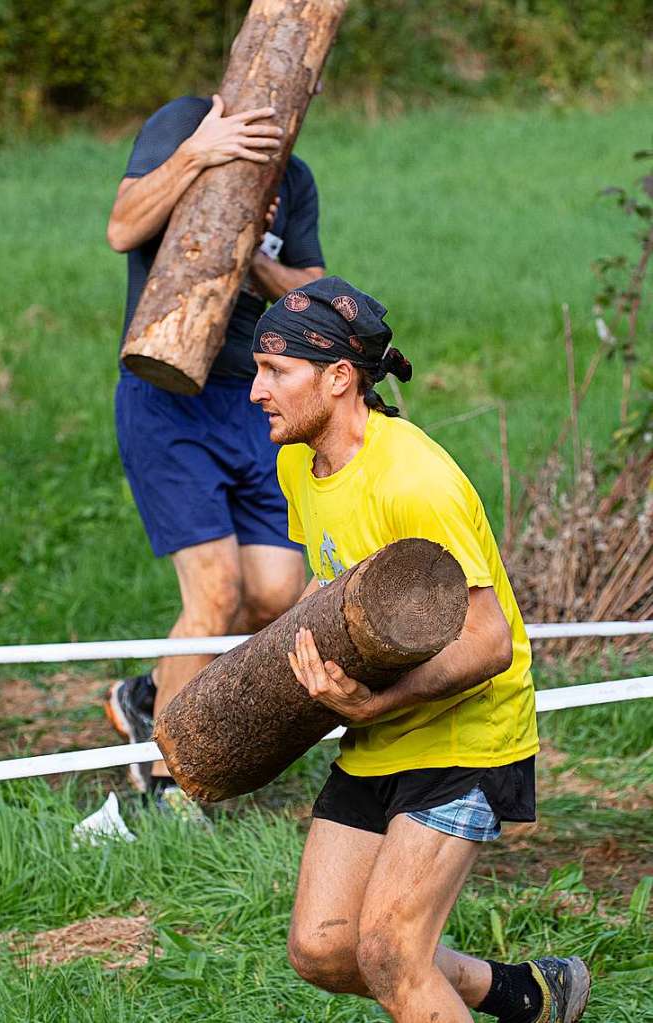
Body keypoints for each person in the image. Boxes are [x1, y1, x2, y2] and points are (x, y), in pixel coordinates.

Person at [248, 276, 591, 1023]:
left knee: (390, 954)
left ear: (340, 378)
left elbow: (489, 640)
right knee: (323, 947)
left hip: (467, 736)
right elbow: (331, 579)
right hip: (381, 733)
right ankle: (522, 994)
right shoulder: (296, 463)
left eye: (275, 371)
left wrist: (372, 700)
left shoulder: (414, 480)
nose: (255, 391)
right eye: (257, 369)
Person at [104, 93, 326, 804]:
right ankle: (166, 787)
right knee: (215, 593)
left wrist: (255, 256)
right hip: (167, 394)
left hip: (251, 402)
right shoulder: (183, 121)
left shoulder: (294, 178)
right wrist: (201, 152)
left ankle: (146, 695)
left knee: (273, 594)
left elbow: (311, 293)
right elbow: (122, 227)